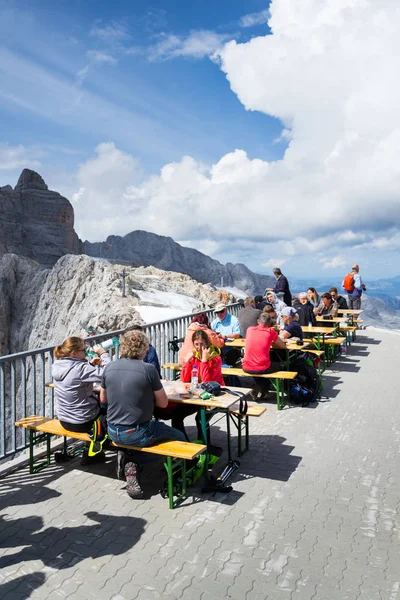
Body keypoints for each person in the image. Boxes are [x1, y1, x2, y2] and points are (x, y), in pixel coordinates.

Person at [100, 330, 186, 499]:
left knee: (140, 438)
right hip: (138, 431)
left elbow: (103, 399)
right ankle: (172, 473)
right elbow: (163, 403)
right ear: (143, 348)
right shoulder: (148, 369)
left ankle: (131, 462)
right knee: (179, 437)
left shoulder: (109, 367)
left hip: (112, 430)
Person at [51, 337, 110, 464]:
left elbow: (74, 374)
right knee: (109, 411)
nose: (87, 352)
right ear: (74, 353)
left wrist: (89, 365)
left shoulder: (56, 365)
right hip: (82, 421)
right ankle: (97, 451)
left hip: (64, 419)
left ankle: (89, 451)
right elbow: (109, 374)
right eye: (84, 350)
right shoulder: (81, 369)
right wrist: (103, 353)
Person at [242, 313, 287, 399]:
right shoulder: (270, 331)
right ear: (269, 324)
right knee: (283, 364)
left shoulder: (250, 329)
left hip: (246, 366)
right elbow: (282, 346)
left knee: (262, 365)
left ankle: (262, 389)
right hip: (262, 367)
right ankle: (284, 388)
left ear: (258, 321)